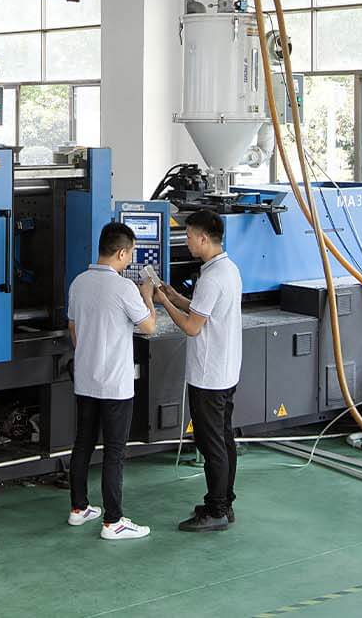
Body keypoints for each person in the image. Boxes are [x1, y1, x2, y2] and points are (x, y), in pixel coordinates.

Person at [65, 221, 159, 541]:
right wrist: (147, 296)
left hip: (85, 380)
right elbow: (149, 327)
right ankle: (113, 521)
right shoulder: (124, 288)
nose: (130, 259)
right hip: (115, 386)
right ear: (121, 253)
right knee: (114, 452)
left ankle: (79, 508)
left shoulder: (78, 283)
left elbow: (74, 330)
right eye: (130, 254)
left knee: (83, 443)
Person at [150, 210, 242, 532]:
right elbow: (203, 310)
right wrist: (175, 296)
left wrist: (163, 303)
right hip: (225, 372)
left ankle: (216, 511)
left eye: (189, 236)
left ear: (203, 238)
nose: (186, 241)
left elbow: (192, 327)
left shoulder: (211, 278)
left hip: (208, 377)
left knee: (211, 443)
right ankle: (224, 502)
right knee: (224, 439)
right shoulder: (227, 270)